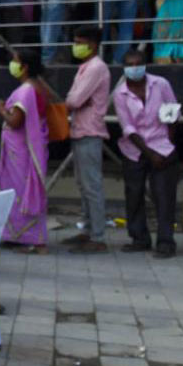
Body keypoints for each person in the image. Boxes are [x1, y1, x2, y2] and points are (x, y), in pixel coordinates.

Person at [114, 49, 178, 258]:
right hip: (135, 149)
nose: (134, 68)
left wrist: (168, 145)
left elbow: (172, 113)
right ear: (124, 67)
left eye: (138, 63)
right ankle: (139, 238)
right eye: (130, 64)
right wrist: (150, 154)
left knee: (164, 195)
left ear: (145, 64)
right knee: (134, 194)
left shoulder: (161, 84)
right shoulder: (120, 93)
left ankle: (166, 241)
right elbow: (128, 129)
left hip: (163, 146)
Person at [0, 49, 50, 253]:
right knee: (23, 191)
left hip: (21, 152)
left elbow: (16, 121)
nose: (12, 64)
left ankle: (32, 238)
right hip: (29, 147)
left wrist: (1, 111)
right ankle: (17, 235)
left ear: (24, 66)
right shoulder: (40, 86)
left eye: (15, 61)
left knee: (20, 192)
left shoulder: (25, 90)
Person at [62, 26, 111, 254]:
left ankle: (98, 235)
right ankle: (87, 228)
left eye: (79, 41)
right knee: (83, 184)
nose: (76, 45)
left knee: (91, 185)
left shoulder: (96, 68)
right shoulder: (85, 67)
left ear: (91, 44)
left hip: (90, 131)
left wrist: (71, 101)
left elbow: (74, 99)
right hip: (80, 129)